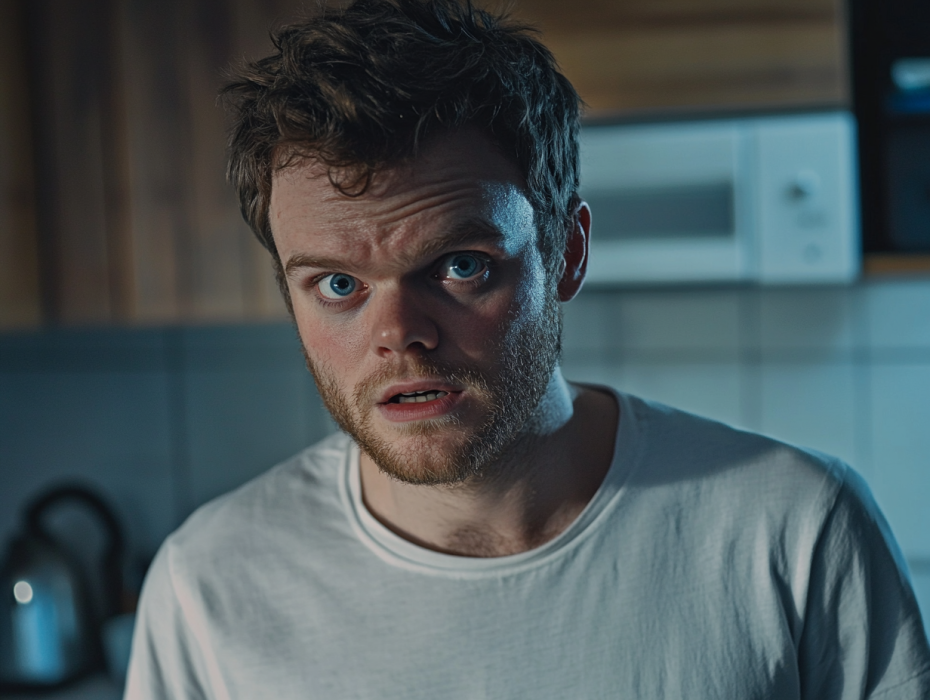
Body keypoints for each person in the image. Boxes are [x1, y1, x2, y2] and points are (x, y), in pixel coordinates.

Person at [124, 0, 930, 697]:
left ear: (568, 252)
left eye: (460, 266)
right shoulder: (209, 587)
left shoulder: (797, 532)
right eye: (338, 284)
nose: (398, 334)